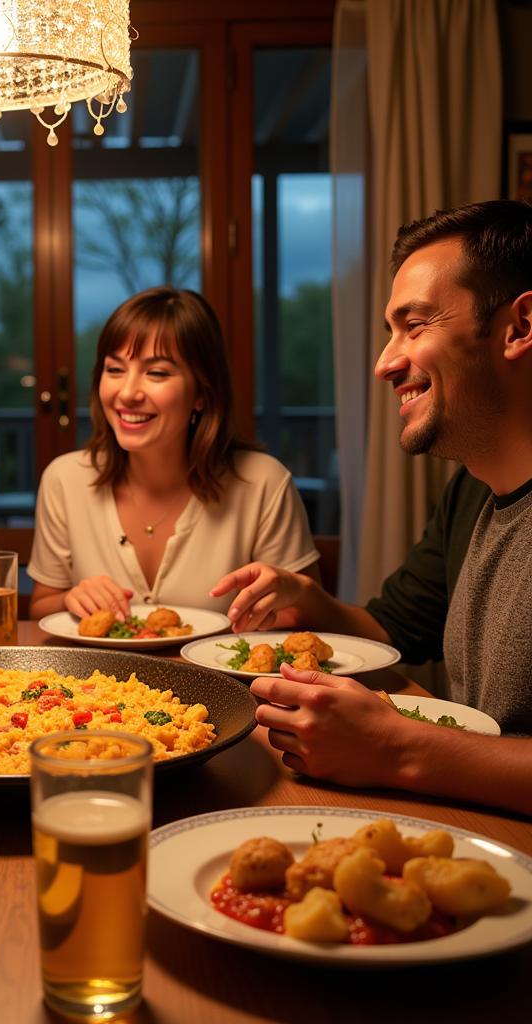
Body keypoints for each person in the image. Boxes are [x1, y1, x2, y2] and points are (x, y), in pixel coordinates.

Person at [211, 199, 532, 816]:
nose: (385, 362)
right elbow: (394, 631)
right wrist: (308, 600)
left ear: (517, 329)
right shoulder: (471, 489)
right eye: (391, 332)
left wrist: (399, 750)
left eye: (415, 325)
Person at [28, 286, 319, 620]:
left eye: (157, 372)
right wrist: (71, 598)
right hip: (96, 674)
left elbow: (304, 614)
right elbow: (40, 607)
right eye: (115, 369)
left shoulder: (264, 482)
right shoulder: (65, 480)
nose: (127, 393)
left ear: (202, 393)